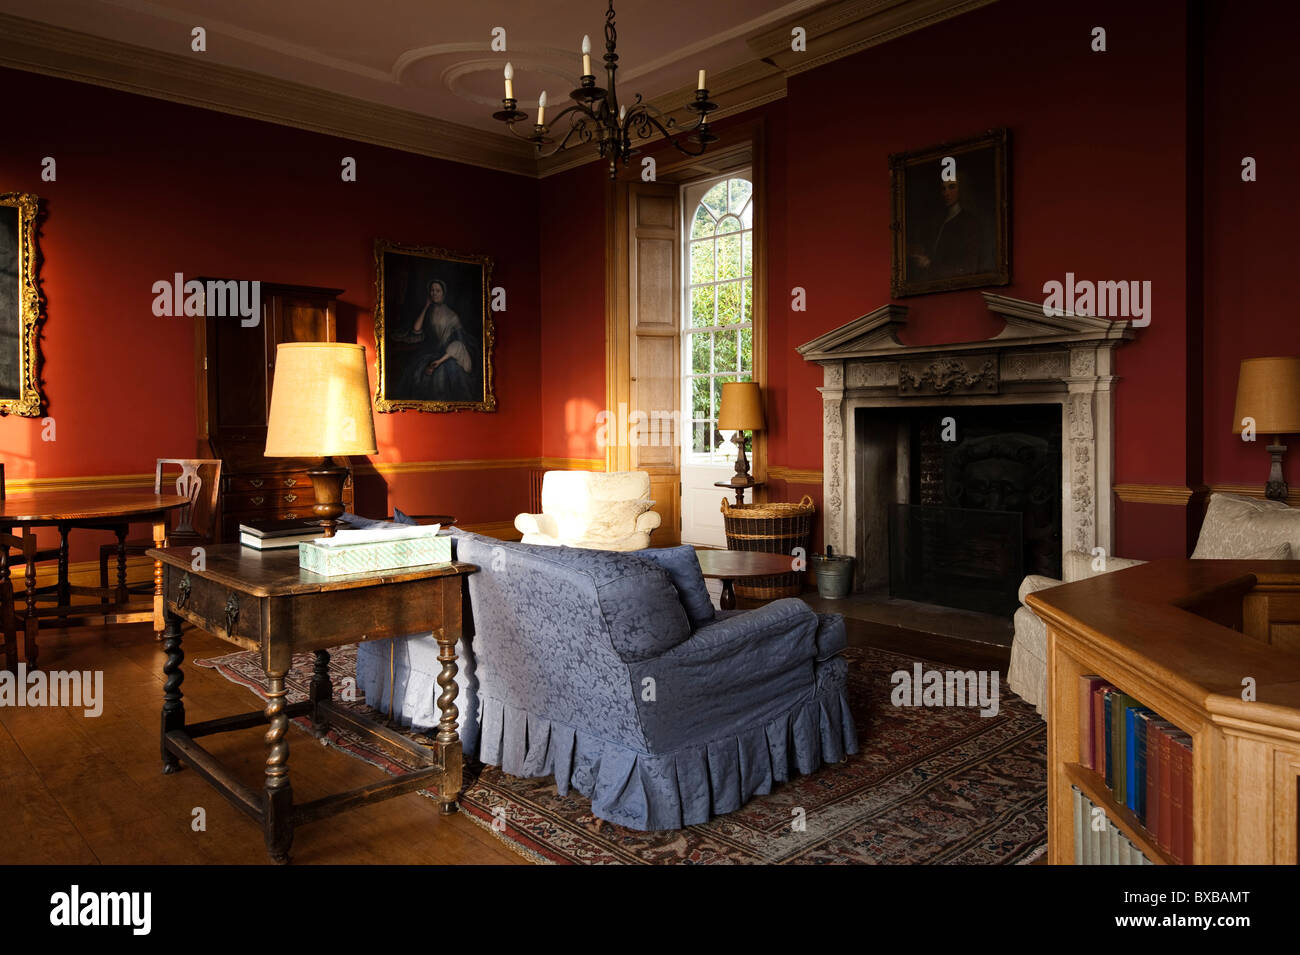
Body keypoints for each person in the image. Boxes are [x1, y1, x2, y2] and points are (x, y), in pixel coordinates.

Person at [393, 279, 478, 401]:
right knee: (417, 375)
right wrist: (426, 306)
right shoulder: (428, 310)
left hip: (445, 353)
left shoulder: (452, 315)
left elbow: (460, 340)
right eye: (432, 290)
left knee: (443, 375)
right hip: (428, 352)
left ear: (443, 293)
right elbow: (416, 330)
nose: (434, 293)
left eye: (438, 291)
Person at [909, 177, 987, 279]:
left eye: (952, 187)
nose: (946, 193)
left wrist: (929, 264)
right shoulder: (938, 221)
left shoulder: (969, 222)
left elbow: (967, 267)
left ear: (961, 189)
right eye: (943, 189)